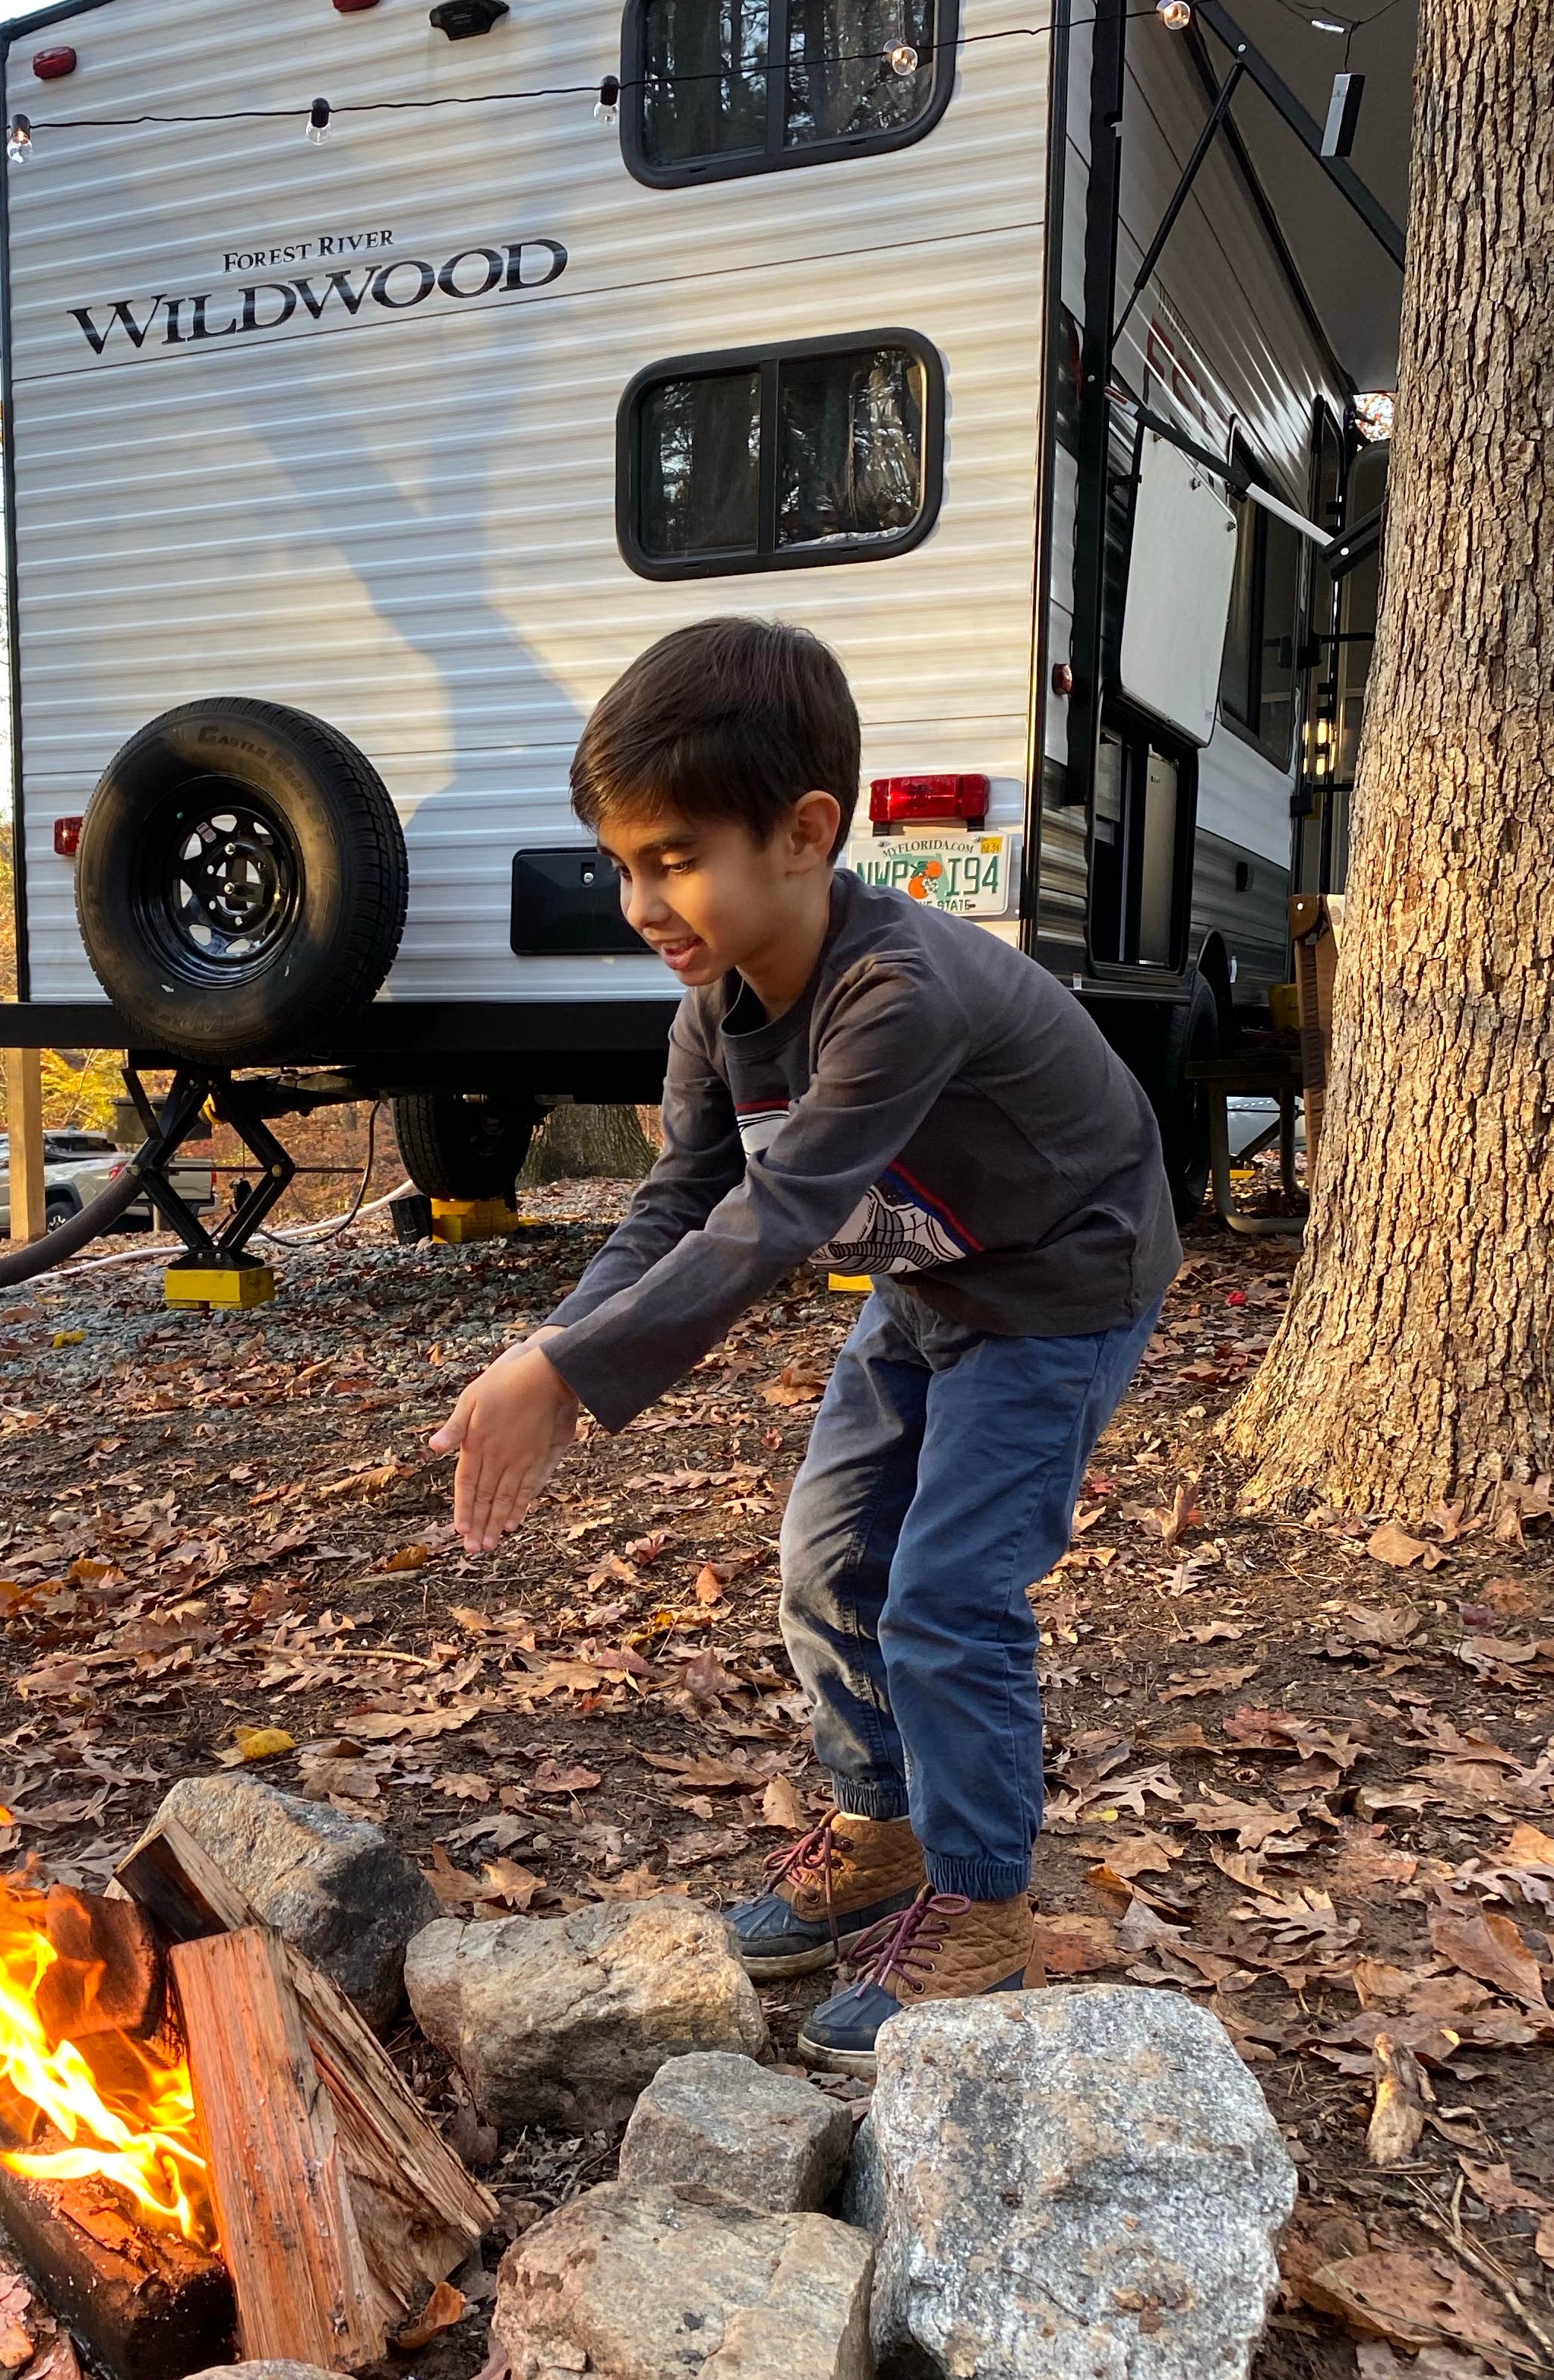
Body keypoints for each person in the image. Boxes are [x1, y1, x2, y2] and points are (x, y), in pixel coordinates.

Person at [431, 618, 1178, 2075]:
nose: (643, 902)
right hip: (927, 1280)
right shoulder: (715, 1010)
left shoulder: (898, 994)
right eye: (621, 864)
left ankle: (983, 1902)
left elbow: (772, 1223)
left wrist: (571, 1381)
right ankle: (881, 1831)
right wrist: (554, 1344)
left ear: (807, 833)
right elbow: (679, 1202)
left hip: (1058, 1284)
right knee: (828, 1561)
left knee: (946, 1595)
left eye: (675, 858)